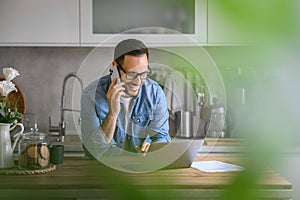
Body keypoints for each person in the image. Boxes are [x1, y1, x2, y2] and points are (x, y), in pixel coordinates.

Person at [81, 39, 171, 158]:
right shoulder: (90, 95)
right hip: (102, 171)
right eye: (132, 74)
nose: (138, 82)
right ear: (115, 67)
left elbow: (161, 137)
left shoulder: (155, 93)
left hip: (142, 170)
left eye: (144, 73)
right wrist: (112, 114)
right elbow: (94, 150)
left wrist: (152, 148)